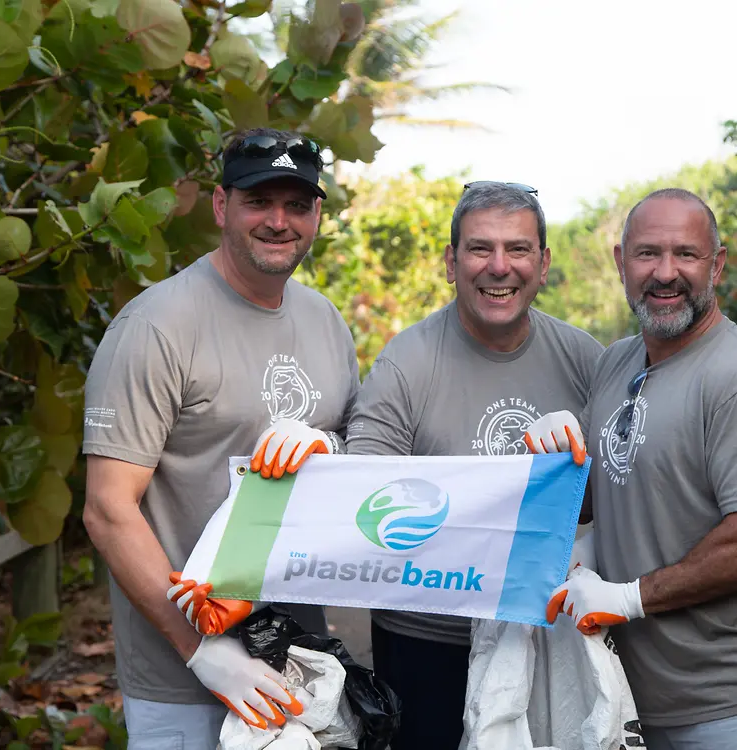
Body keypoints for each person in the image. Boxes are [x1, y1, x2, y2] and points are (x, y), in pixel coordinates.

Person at [82, 127, 360, 748]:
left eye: (297, 204)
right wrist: (201, 650)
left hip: (297, 667)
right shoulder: (157, 326)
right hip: (183, 679)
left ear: (316, 214)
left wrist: (330, 452)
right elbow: (106, 509)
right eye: (258, 200)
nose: (278, 221)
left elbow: (351, 468)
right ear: (220, 205)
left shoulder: (326, 323)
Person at [527, 188, 737, 749]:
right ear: (621, 262)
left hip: (734, 698)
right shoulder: (617, 361)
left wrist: (628, 597)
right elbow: (603, 496)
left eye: (686, 254)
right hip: (642, 698)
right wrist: (557, 456)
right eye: (647, 254)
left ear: (718, 263)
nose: (665, 273)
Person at [345, 181, 605, 749]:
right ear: (450, 261)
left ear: (543, 263)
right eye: (479, 248)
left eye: (517, 249)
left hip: (543, 633)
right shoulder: (406, 362)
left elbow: (611, 503)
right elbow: (362, 504)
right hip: (426, 637)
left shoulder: (587, 359)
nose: (499, 267)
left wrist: (568, 470)